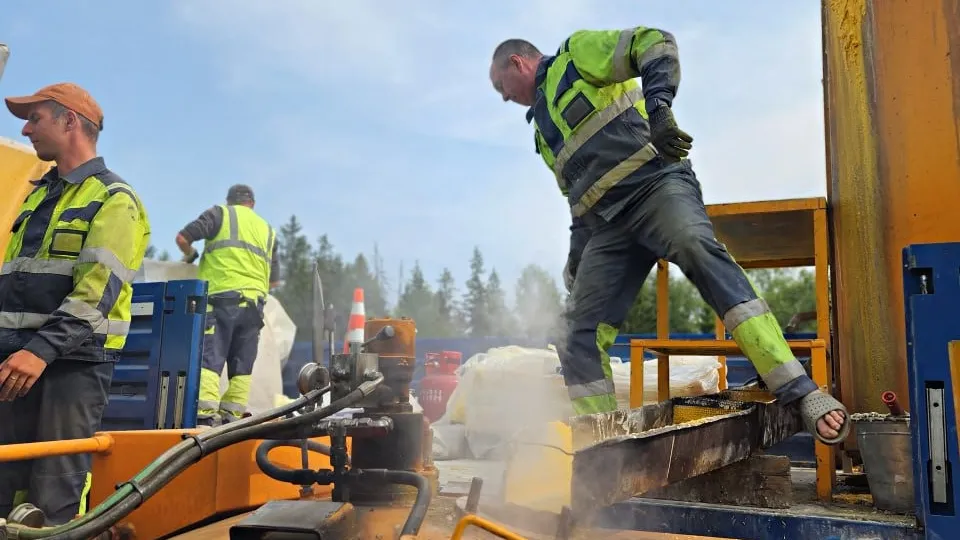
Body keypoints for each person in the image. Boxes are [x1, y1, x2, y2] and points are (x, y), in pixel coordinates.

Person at [489, 28, 850, 445]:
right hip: (607, 226)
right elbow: (578, 201)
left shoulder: (574, 59)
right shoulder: (542, 134)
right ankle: (605, 447)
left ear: (518, 63)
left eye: (501, 86)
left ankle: (800, 393)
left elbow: (655, 42)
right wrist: (576, 260)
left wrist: (659, 107)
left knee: (699, 251)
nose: (503, 97)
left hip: (655, 187)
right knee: (575, 334)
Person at [0, 82, 151, 523]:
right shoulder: (37, 198)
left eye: (35, 119)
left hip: (71, 366)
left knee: (55, 490)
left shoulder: (114, 200)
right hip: (16, 362)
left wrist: (39, 352)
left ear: (70, 121)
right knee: (5, 485)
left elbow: (95, 294)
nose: (26, 130)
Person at [176, 184, 279, 426]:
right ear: (251, 203)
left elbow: (182, 239)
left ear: (229, 200)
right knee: (242, 365)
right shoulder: (268, 231)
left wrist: (190, 255)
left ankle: (205, 417)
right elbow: (273, 281)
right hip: (254, 305)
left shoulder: (219, 214)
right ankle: (232, 420)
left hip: (221, 299)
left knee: (211, 358)